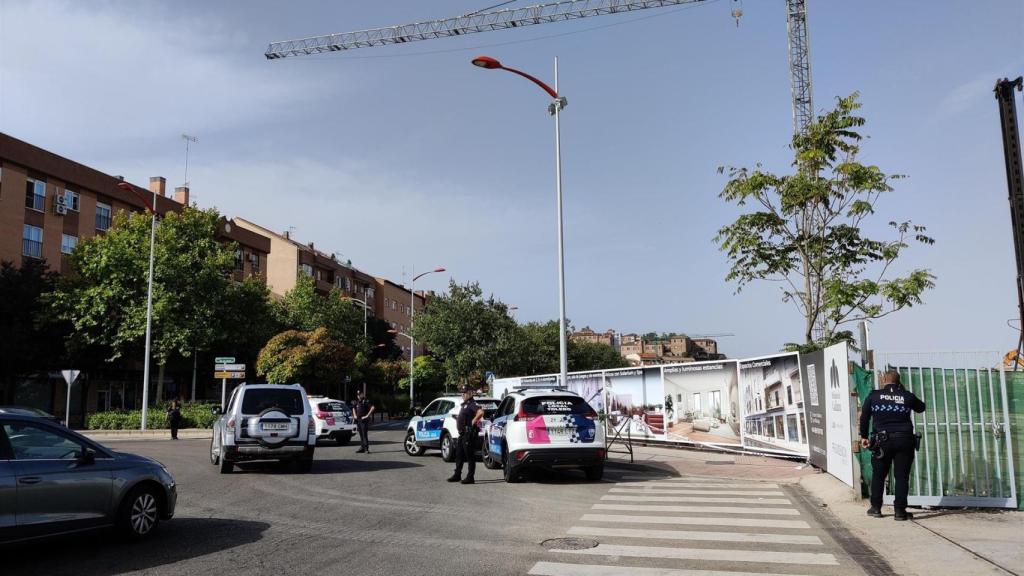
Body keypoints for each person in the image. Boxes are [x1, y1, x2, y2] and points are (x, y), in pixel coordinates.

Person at [859, 370, 926, 521]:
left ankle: (876, 508)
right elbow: (921, 407)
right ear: (899, 381)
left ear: (883, 380)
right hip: (904, 441)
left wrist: (863, 436)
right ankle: (900, 512)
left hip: (882, 442)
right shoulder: (907, 396)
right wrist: (901, 392)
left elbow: (865, 417)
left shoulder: (874, 396)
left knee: (879, 475)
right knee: (901, 477)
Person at [448, 384, 485, 485]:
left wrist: (473, 421)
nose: (462, 395)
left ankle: (470, 477)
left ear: (470, 393)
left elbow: (481, 412)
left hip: (469, 434)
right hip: (462, 434)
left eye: (464, 393)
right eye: (462, 393)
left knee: (469, 456)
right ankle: (457, 474)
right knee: (459, 455)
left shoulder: (472, 403)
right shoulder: (465, 404)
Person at [352, 389, 375, 454]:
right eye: (358, 395)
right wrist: (354, 415)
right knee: (361, 435)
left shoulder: (366, 401)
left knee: (364, 434)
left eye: (360, 394)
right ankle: (362, 447)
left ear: (362, 394)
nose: (358, 396)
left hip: (364, 420)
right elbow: (353, 408)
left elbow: (373, 407)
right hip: (358, 420)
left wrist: (367, 415)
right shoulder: (356, 402)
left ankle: (366, 448)